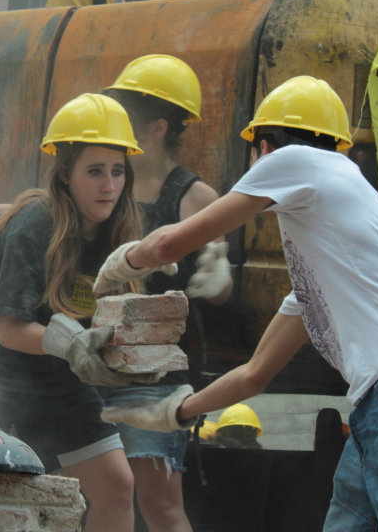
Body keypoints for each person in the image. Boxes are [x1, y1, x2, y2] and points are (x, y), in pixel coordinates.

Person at [96, 75, 378, 532]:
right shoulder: (326, 261)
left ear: (264, 147)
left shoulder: (297, 160)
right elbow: (253, 375)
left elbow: (166, 246)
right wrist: (176, 412)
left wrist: (119, 264)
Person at [0, 93, 155, 532]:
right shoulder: (35, 223)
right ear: (65, 173)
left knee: (117, 486)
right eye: (95, 171)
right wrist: (77, 345)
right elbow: (11, 331)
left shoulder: (117, 233)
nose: (109, 185)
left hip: (55, 377)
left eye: (117, 171)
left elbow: (105, 328)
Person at [99, 55, 233, 532]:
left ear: (156, 128)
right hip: (92, 360)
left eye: (125, 116)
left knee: (159, 505)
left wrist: (218, 275)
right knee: (95, 494)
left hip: (156, 375)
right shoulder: (107, 181)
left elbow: (221, 296)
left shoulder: (195, 198)